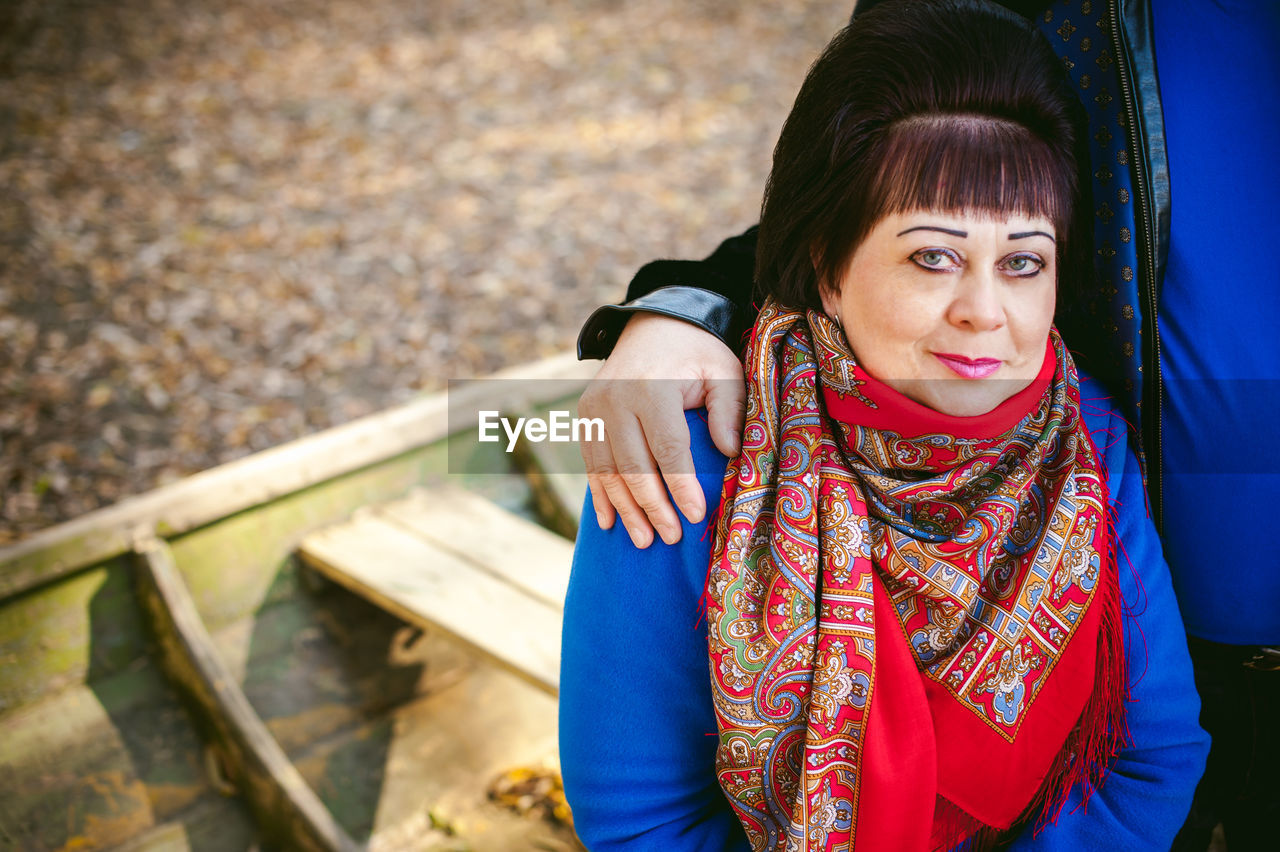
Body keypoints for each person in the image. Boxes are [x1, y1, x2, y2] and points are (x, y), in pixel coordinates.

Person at [572, 1, 1280, 848]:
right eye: (932, 257)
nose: (985, 312)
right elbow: (640, 816)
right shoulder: (696, 456)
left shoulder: (1087, 438)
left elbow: (1149, 757)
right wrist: (676, 308)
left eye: (1023, 263)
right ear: (828, 272)